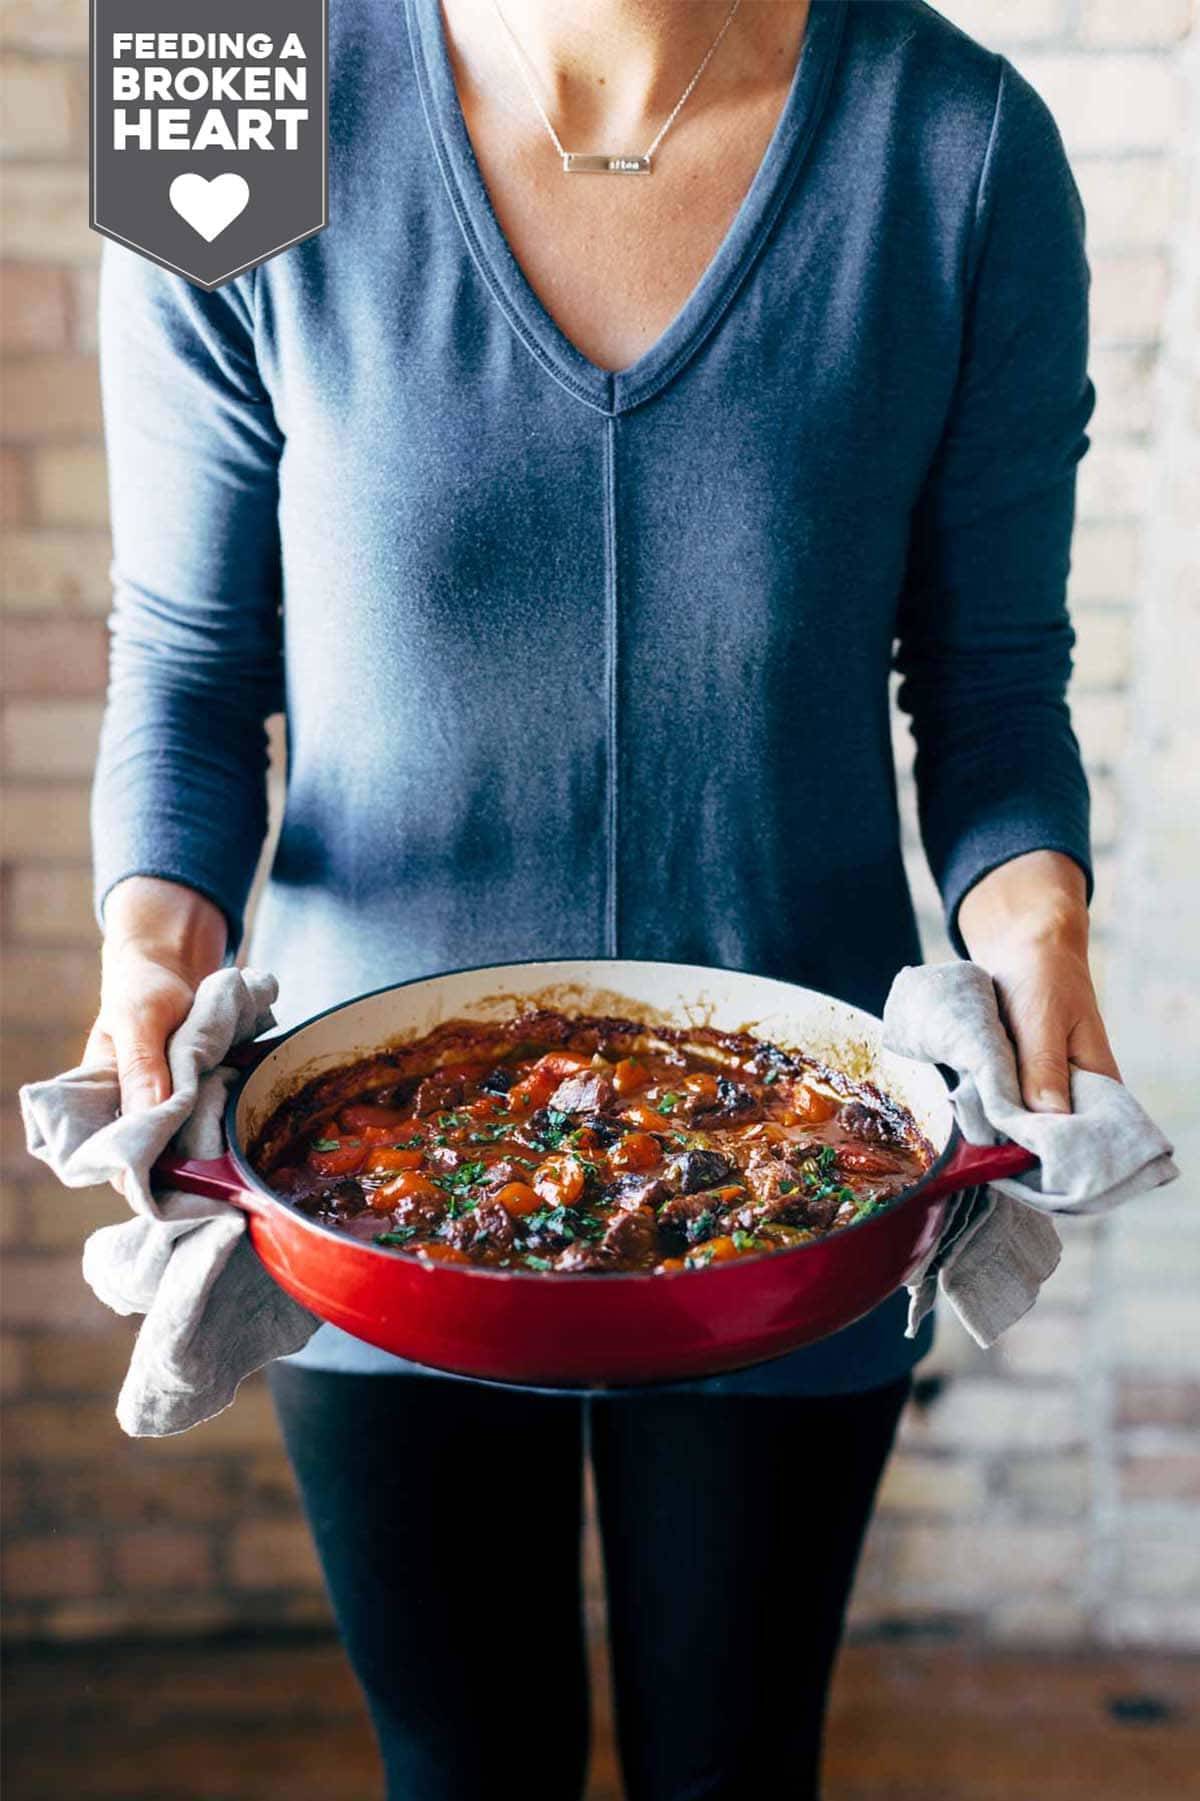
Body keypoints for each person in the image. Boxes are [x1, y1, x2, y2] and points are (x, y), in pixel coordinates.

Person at [86, 3, 1120, 1795]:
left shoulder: (961, 146)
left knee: (734, 1765)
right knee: (460, 1763)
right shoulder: (224, 80)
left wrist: (1038, 933)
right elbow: (186, 664)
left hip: (810, 1175)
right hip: (359, 1175)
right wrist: (143, 949)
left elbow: (992, 682)